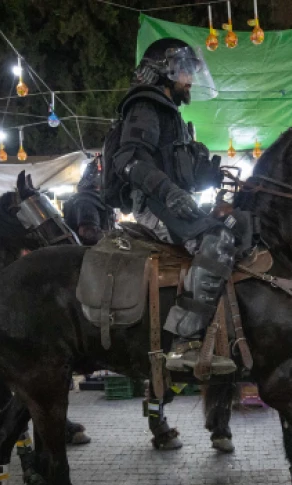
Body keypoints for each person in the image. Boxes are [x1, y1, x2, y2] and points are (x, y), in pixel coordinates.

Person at [109, 37, 230, 375]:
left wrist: (205, 173)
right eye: (185, 73)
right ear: (165, 73)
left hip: (168, 199)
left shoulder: (170, 114)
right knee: (215, 243)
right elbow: (128, 158)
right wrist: (168, 192)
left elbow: (177, 169)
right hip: (154, 204)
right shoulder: (145, 106)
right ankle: (185, 341)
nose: (189, 80)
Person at [63, 154, 115, 245]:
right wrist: (113, 240)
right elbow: (88, 233)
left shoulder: (96, 198)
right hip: (91, 254)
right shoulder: (86, 201)